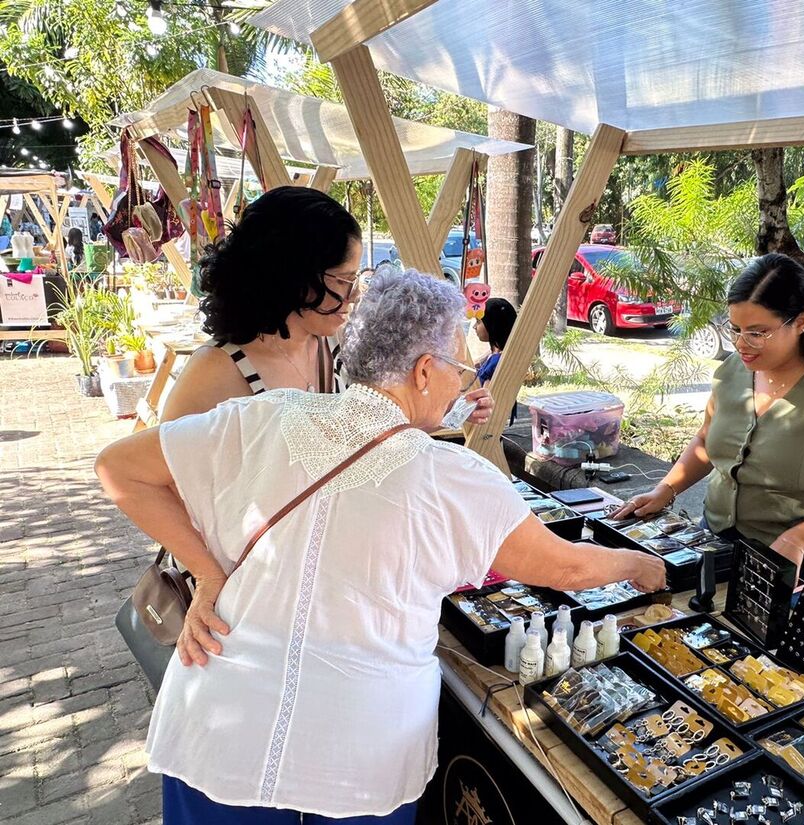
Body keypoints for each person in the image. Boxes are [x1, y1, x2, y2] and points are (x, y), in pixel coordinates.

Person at [95, 269, 665, 824]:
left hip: (220, 732)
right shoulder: (453, 478)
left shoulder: (261, 415)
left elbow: (117, 468)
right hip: (357, 756)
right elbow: (562, 566)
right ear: (424, 370)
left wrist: (208, 573)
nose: (464, 384)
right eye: (460, 370)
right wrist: (638, 563)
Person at [615, 253, 804, 611]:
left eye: (757, 332)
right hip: (719, 546)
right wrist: (666, 488)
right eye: (735, 329)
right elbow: (707, 440)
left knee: (789, 667)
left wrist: (800, 539)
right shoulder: (735, 370)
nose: (741, 343)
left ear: (799, 322)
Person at [159, 186, 492, 429]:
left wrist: (450, 409)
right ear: (293, 276)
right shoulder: (216, 371)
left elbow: (379, 423)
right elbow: (160, 479)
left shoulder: (337, 344)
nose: (352, 296)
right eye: (343, 280)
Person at [473, 296, 517, 384]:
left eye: (478, 321)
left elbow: (486, 393)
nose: (474, 327)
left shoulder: (495, 364)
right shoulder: (499, 355)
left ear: (492, 325)